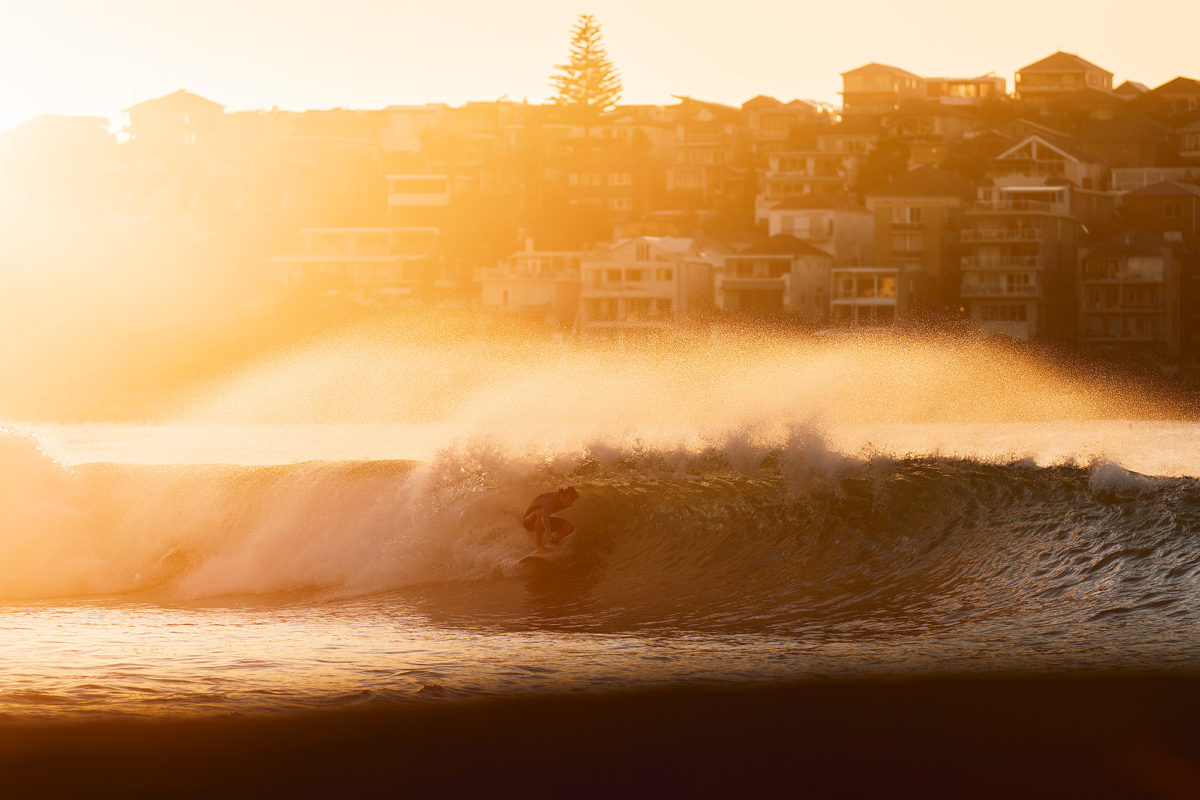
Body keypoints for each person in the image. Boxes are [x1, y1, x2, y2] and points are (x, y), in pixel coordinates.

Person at [522, 486, 578, 553]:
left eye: (572, 501)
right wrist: (547, 527)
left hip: (541, 519)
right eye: (568, 500)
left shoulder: (562, 500)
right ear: (562, 495)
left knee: (568, 527)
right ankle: (539, 546)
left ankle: (554, 542)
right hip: (528, 521)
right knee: (540, 512)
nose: (570, 503)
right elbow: (544, 514)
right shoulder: (551, 500)